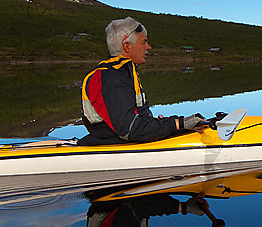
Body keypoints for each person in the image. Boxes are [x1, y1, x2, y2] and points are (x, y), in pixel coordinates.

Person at [80, 17, 204, 145]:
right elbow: (129, 129)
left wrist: (162, 124)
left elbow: (135, 122)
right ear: (127, 46)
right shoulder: (111, 77)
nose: (148, 47)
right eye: (144, 42)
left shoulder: (122, 72)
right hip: (114, 144)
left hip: (123, 140)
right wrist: (178, 124)